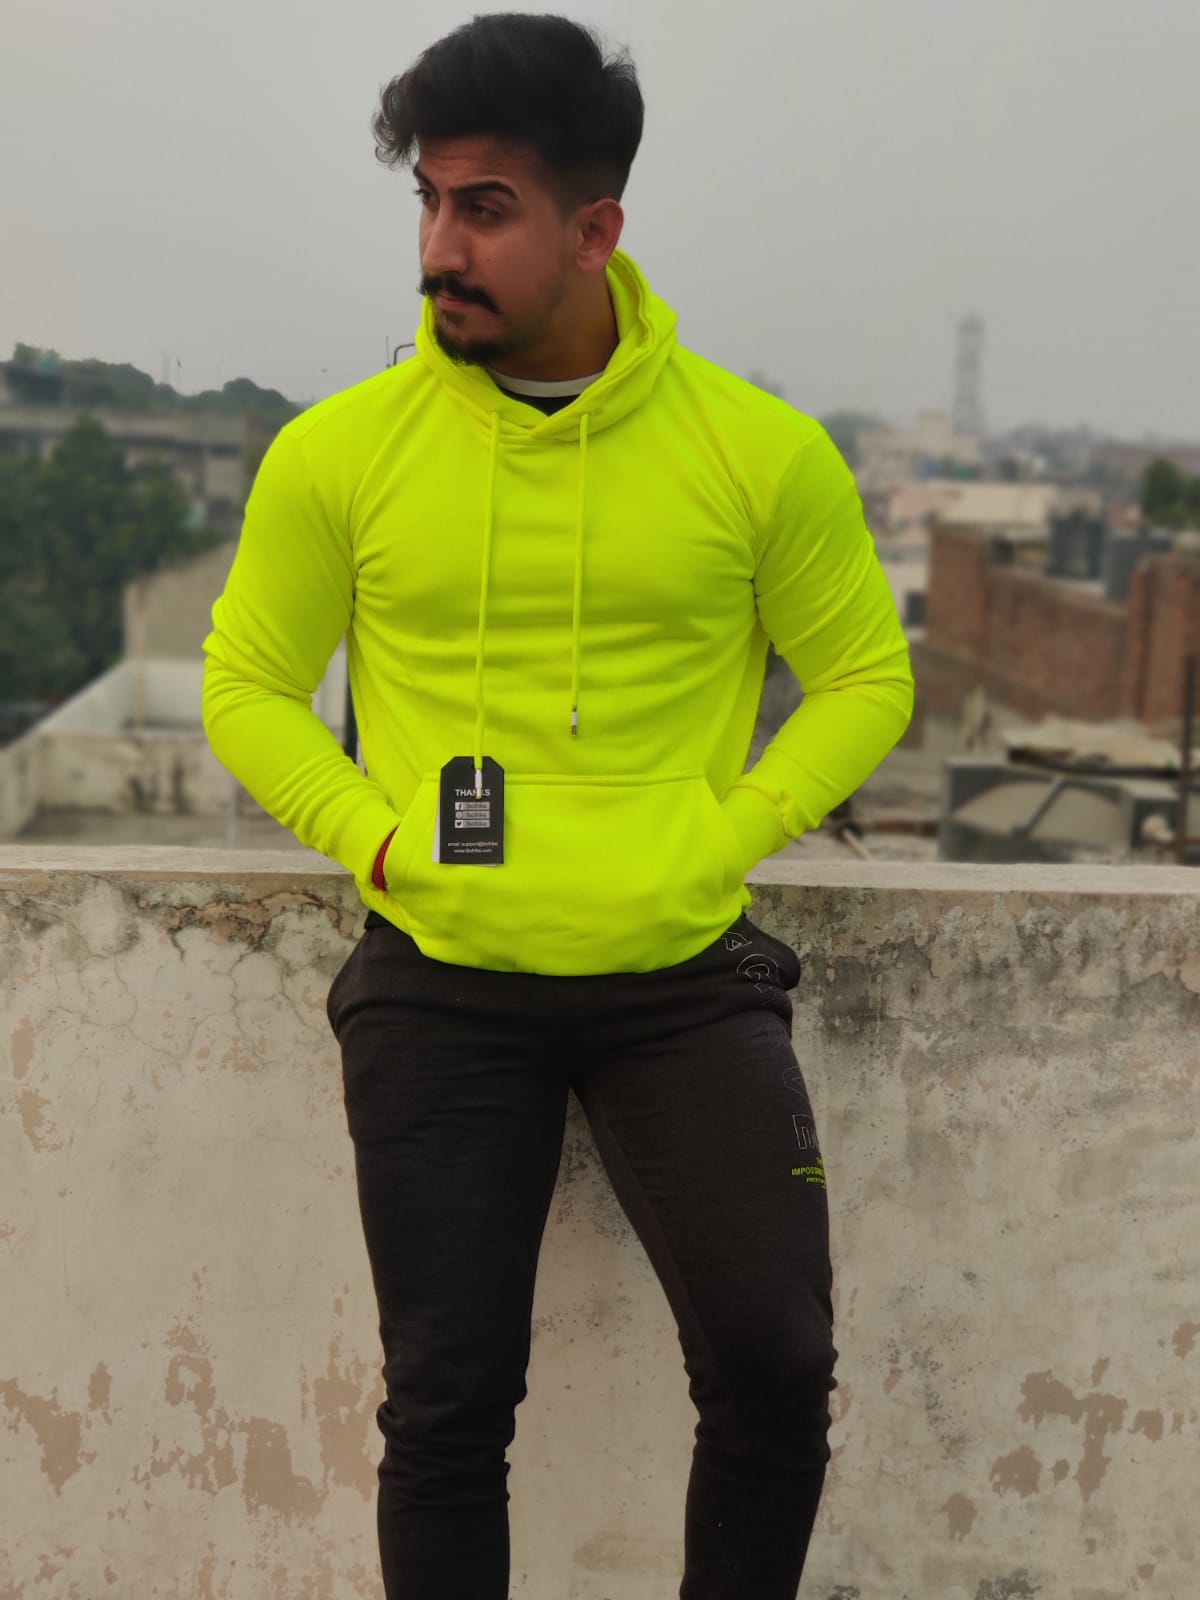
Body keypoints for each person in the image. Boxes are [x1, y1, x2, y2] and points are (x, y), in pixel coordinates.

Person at [202, 14, 913, 1598]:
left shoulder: (756, 452)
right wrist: (377, 836)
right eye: (428, 201)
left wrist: (721, 832)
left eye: (486, 209)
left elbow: (867, 678)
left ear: (597, 230)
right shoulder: (340, 452)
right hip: (440, 976)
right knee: (447, 1404)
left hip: (681, 977)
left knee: (778, 1362)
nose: (438, 250)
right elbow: (246, 681)